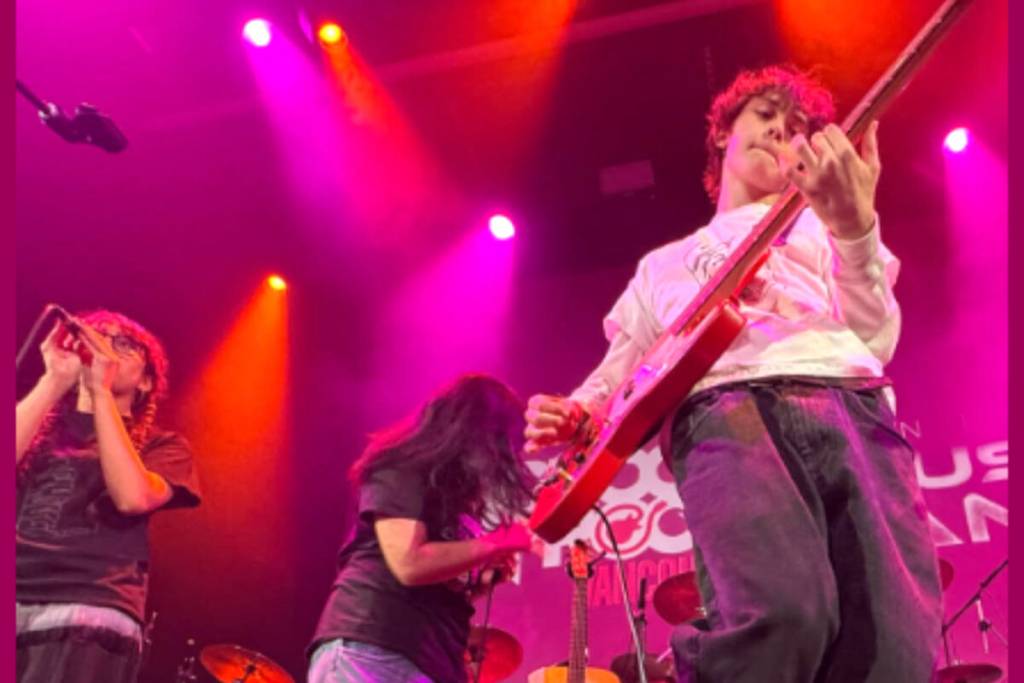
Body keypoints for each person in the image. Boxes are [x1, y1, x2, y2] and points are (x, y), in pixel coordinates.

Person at [524, 65, 942, 681]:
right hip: (729, 411)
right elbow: (623, 368)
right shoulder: (663, 265)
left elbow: (875, 338)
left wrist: (856, 229)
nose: (780, 134)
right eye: (764, 118)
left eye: (796, 129)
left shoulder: (826, 223)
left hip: (854, 404)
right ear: (722, 135)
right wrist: (579, 411)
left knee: (894, 647)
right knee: (779, 616)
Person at [307, 374, 540, 683]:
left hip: (430, 659)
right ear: (470, 431)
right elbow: (408, 563)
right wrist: (499, 542)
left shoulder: (455, 500)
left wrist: (477, 582)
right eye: (498, 443)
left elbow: (429, 584)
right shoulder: (404, 466)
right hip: (373, 645)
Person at [16, 309, 202, 683]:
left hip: (87, 609)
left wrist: (100, 389)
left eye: (125, 344)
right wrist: (53, 381)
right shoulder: (36, 427)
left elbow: (132, 497)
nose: (104, 346)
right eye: (97, 336)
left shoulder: (162, 446)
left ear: (147, 381)